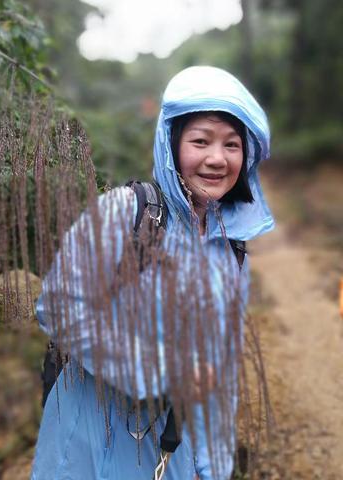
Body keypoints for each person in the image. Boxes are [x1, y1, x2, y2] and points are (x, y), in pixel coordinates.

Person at [31, 66, 274, 480]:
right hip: (87, 445)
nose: (217, 158)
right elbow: (58, 306)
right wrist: (158, 371)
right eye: (201, 141)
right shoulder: (129, 213)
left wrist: (212, 466)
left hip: (168, 453)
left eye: (232, 145)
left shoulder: (232, 250)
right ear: (172, 142)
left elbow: (222, 368)